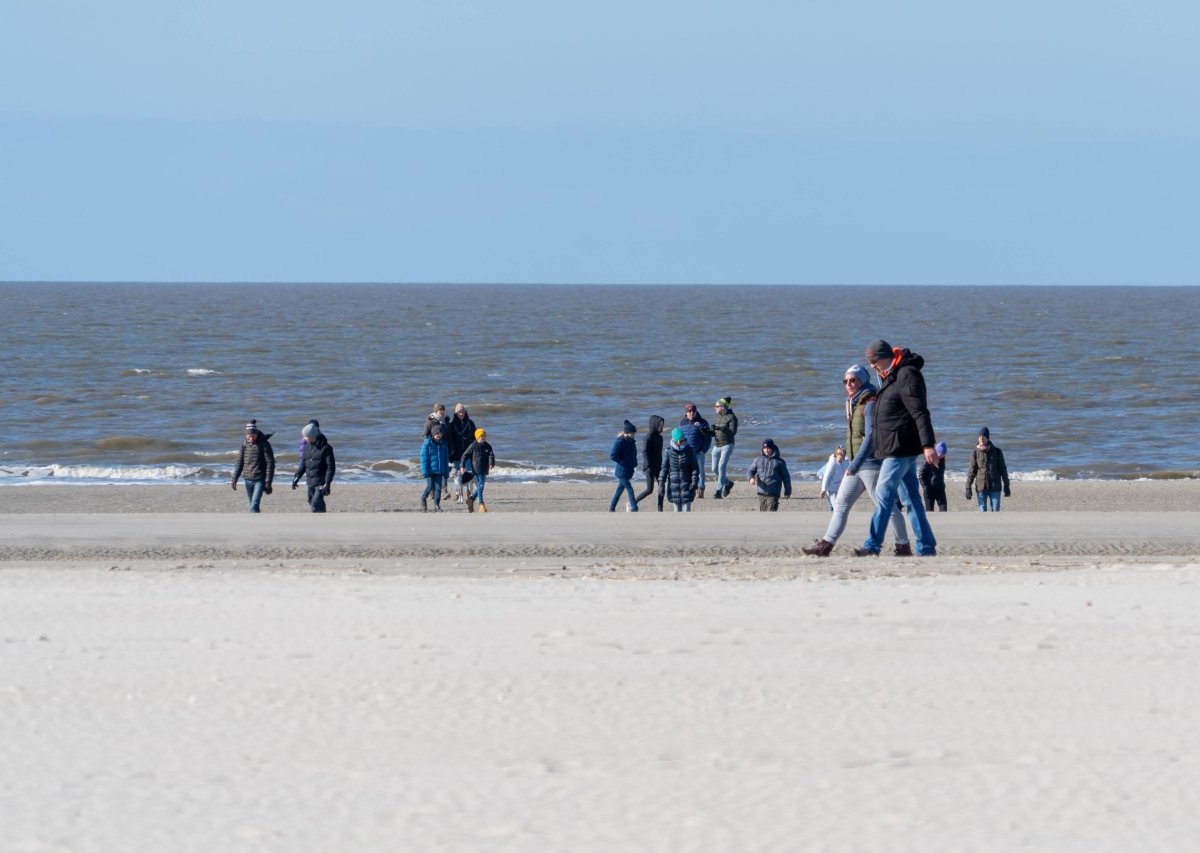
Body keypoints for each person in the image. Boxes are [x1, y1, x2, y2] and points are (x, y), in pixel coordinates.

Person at [802, 365, 913, 557]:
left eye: (853, 380)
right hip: (857, 465)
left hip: (870, 464)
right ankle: (825, 546)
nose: (849, 384)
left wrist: (854, 464)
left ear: (863, 380)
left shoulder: (870, 402)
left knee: (886, 506)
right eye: (845, 381)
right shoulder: (854, 402)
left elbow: (870, 437)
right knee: (841, 505)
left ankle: (903, 546)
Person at [854, 339, 939, 557]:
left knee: (883, 495)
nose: (872, 366)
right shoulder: (891, 376)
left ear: (885, 357)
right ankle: (926, 547)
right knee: (911, 500)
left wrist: (928, 445)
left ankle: (872, 546)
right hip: (894, 448)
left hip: (899, 449)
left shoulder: (906, 375)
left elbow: (920, 412)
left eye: (874, 361)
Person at [231, 419, 275, 513]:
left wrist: (268, 482)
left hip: (260, 479)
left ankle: (252, 525)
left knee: (254, 505)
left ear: (257, 434)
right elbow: (240, 462)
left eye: (253, 436)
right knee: (252, 504)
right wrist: (234, 479)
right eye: (248, 436)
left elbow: (270, 463)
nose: (251, 438)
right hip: (247, 479)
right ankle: (257, 525)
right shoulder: (244, 444)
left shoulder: (264, 444)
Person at [292, 421, 336, 513]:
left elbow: (330, 467)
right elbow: (303, 464)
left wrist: (327, 483)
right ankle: (323, 516)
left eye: (307, 437)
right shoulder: (307, 447)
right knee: (312, 502)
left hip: (321, 482)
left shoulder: (326, 448)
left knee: (315, 504)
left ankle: (315, 524)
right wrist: (296, 477)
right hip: (310, 481)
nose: (305, 439)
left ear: (313, 436)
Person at [966, 427, 1010, 511]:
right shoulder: (975, 453)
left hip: (995, 488)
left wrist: (1006, 485)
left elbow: (1003, 470)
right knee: (983, 512)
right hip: (981, 488)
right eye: (980, 437)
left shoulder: (997, 452)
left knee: (996, 511)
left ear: (988, 438)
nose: (981, 439)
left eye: (983, 437)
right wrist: (968, 488)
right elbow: (971, 472)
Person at [658, 427, 700, 512]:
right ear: (673, 440)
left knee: (687, 510)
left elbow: (695, 468)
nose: (679, 443)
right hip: (673, 486)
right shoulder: (668, 451)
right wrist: (661, 484)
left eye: (681, 441)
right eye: (677, 441)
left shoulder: (689, 450)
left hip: (687, 485)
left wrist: (694, 482)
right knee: (676, 511)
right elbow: (664, 468)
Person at [747, 438, 792, 511]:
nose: (766, 450)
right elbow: (750, 471)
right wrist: (751, 478)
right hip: (761, 492)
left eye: (768, 448)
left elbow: (786, 477)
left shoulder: (780, 462)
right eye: (764, 448)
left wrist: (788, 491)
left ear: (772, 448)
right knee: (763, 514)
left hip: (773, 493)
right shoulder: (758, 460)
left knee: (771, 513)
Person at [678, 403, 712, 498]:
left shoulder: (702, 422)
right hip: (686, 452)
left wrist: (704, 450)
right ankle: (691, 489)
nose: (691, 413)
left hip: (699, 452)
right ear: (686, 412)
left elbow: (708, 438)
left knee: (700, 472)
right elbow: (679, 437)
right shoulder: (682, 422)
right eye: (689, 411)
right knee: (687, 472)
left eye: (693, 411)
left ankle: (701, 489)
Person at [459, 427, 495, 513]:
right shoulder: (473, 445)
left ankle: (470, 499)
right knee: (481, 486)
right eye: (482, 435)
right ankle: (481, 504)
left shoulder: (487, 446)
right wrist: (462, 466)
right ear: (477, 436)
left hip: (484, 469)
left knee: (480, 486)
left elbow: (491, 455)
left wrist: (491, 463)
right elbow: (465, 455)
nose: (483, 437)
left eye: (484, 435)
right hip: (476, 469)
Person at [633, 415, 665, 511]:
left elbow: (659, 453)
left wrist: (662, 465)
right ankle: (632, 503)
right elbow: (644, 452)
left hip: (658, 466)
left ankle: (660, 509)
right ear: (654, 425)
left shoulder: (660, 438)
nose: (661, 427)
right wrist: (648, 466)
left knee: (661, 487)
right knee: (649, 490)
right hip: (649, 467)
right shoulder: (648, 437)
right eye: (659, 425)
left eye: (662, 425)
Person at [710, 397, 738, 499]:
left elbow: (732, 432)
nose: (715, 408)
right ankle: (728, 483)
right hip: (717, 446)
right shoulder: (719, 417)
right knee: (714, 468)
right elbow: (716, 433)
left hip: (727, 445)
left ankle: (718, 491)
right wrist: (708, 432)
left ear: (723, 407)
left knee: (721, 467)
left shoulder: (732, 417)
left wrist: (721, 428)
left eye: (717, 406)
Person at [448, 403, 476, 503]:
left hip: (468, 455)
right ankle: (459, 496)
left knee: (469, 476)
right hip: (456, 455)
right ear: (456, 413)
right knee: (457, 477)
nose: (461, 414)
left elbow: (475, 439)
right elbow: (449, 441)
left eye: (463, 412)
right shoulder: (451, 425)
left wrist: (473, 451)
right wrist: (450, 454)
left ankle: (470, 495)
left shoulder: (470, 423)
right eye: (459, 412)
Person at [609, 420, 639, 512]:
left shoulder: (632, 442)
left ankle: (612, 507)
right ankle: (634, 508)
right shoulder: (620, 442)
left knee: (619, 491)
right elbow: (613, 455)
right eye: (632, 433)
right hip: (622, 471)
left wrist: (634, 463)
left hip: (629, 470)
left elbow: (634, 455)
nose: (634, 435)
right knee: (630, 489)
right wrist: (622, 462)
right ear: (627, 433)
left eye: (634, 433)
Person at [419, 424, 450, 512]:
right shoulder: (427, 443)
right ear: (433, 434)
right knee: (430, 487)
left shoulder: (443, 444)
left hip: (439, 470)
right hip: (430, 470)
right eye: (436, 433)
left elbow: (445, 459)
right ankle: (423, 498)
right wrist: (425, 471)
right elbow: (424, 458)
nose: (438, 435)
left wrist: (446, 472)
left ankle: (437, 505)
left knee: (438, 488)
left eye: (440, 433)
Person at [920, 441, 948, 512]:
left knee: (944, 511)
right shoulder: (928, 460)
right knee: (930, 512)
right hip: (929, 490)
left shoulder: (942, 460)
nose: (941, 456)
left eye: (943, 454)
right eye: (939, 454)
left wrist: (942, 485)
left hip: (940, 489)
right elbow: (921, 476)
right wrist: (926, 488)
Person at [819, 446, 849, 511]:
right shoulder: (832, 463)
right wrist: (823, 490)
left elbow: (848, 475)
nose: (843, 457)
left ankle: (833, 516)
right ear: (836, 455)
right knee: (836, 507)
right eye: (841, 455)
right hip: (830, 488)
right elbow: (826, 476)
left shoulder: (845, 461)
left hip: (839, 487)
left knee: (838, 505)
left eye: (844, 455)